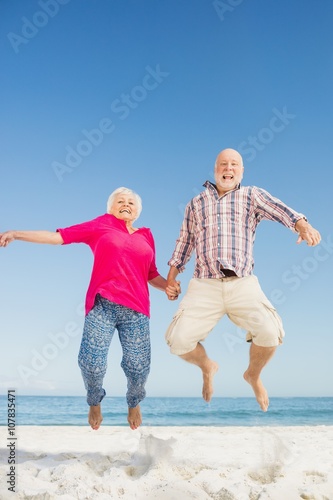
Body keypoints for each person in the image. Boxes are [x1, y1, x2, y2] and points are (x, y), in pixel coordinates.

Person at [0, 187, 179, 430]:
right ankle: (95, 401)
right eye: (120, 201)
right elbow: (58, 236)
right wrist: (16, 234)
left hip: (136, 310)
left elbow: (150, 273)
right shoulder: (101, 225)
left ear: (138, 210)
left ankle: (134, 402)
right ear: (111, 207)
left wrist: (167, 286)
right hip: (102, 305)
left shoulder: (146, 235)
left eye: (131, 202)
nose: (126, 204)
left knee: (139, 367)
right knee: (91, 362)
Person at [165, 148, 321, 412]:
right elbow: (185, 242)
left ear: (241, 171)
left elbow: (281, 210)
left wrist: (303, 225)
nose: (228, 168)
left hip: (242, 283)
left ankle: (253, 375)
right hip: (204, 285)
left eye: (234, 164)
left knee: (271, 333)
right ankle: (207, 366)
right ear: (215, 169)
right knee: (178, 341)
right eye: (223, 164)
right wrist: (171, 278)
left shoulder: (251, 195)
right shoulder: (196, 203)